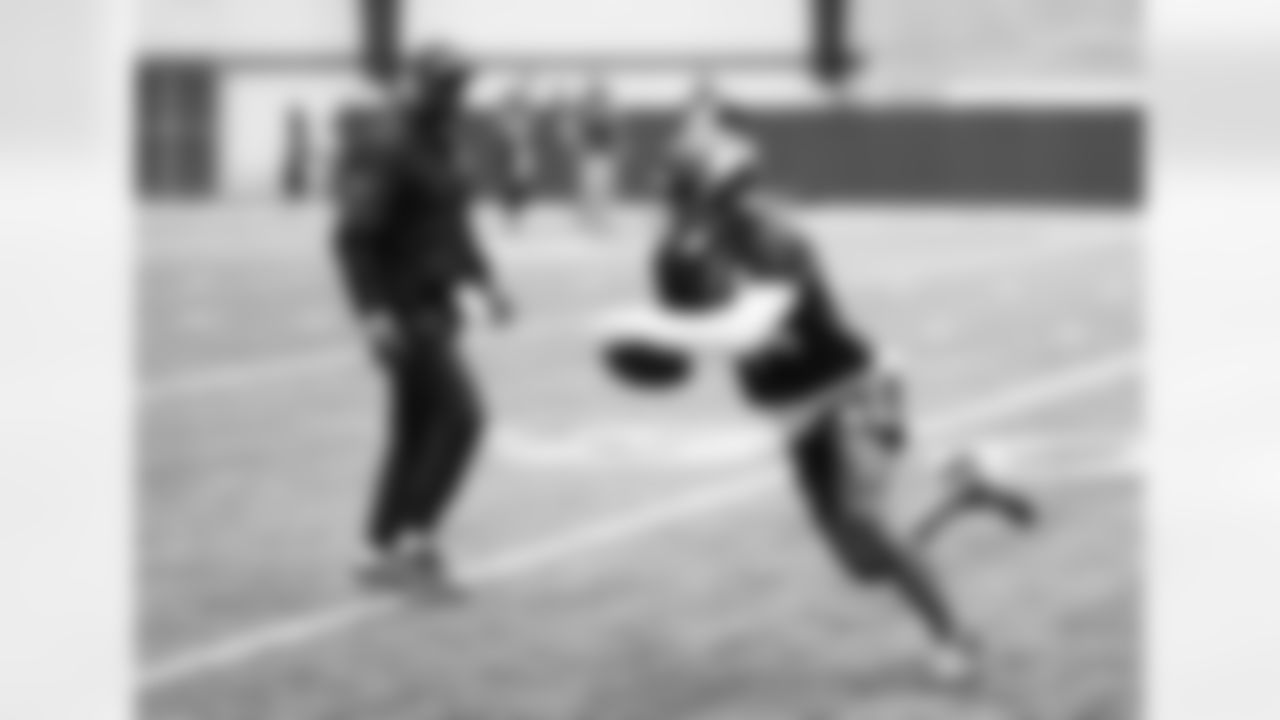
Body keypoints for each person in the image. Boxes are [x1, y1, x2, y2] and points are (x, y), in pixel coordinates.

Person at [599, 132, 1037, 679]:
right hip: (793, 413)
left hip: (854, 386)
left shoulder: (775, 238)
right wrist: (658, 347)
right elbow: (685, 348)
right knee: (863, 567)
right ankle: (963, 494)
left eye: (685, 190)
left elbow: (745, 327)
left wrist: (645, 326)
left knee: (862, 516)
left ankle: (956, 639)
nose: (675, 203)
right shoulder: (675, 258)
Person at [332, 46, 516, 594]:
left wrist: (487, 282)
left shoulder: (442, 144)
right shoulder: (389, 146)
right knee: (463, 419)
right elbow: (352, 238)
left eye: (459, 87)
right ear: (419, 86)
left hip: (436, 304)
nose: (455, 98)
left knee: (414, 434)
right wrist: (372, 313)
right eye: (447, 87)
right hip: (402, 308)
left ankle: (377, 552)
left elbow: (456, 227)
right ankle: (416, 544)